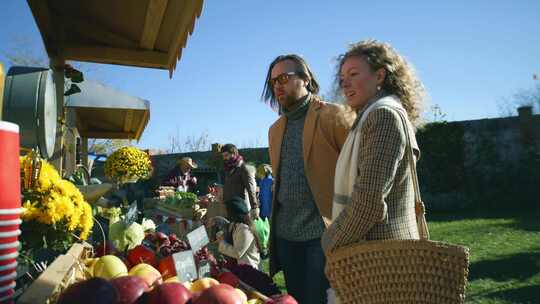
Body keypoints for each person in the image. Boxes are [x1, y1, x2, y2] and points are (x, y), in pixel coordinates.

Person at [262, 54, 355, 304]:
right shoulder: (274, 130)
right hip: (286, 237)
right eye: (273, 82)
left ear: (305, 78)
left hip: (322, 237)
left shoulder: (334, 116)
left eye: (284, 77)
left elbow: (359, 173)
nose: (277, 85)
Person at [321, 40, 425, 255]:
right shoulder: (370, 116)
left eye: (353, 74)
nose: (345, 84)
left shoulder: (384, 116)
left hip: (384, 259)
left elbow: (369, 202)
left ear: (379, 76)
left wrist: (329, 242)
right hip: (375, 252)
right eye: (342, 79)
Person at [216, 197, 261, 269]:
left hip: (247, 269)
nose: (226, 213)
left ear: (233, 213)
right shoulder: (236, 224)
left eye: (227, 211)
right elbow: (228, 226)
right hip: (239, 265)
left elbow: (237, 253)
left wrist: (221, 242)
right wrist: (217, 220)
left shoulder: (245, 230)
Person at [221, 144, 259, 220]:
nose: (224, 158)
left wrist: (254, 207)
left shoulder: (244, 168)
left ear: (234, 154)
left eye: (226, 155)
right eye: (223, 156)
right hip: (231, 209)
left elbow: (251, 189)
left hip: (242, 209)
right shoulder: (228, 170)